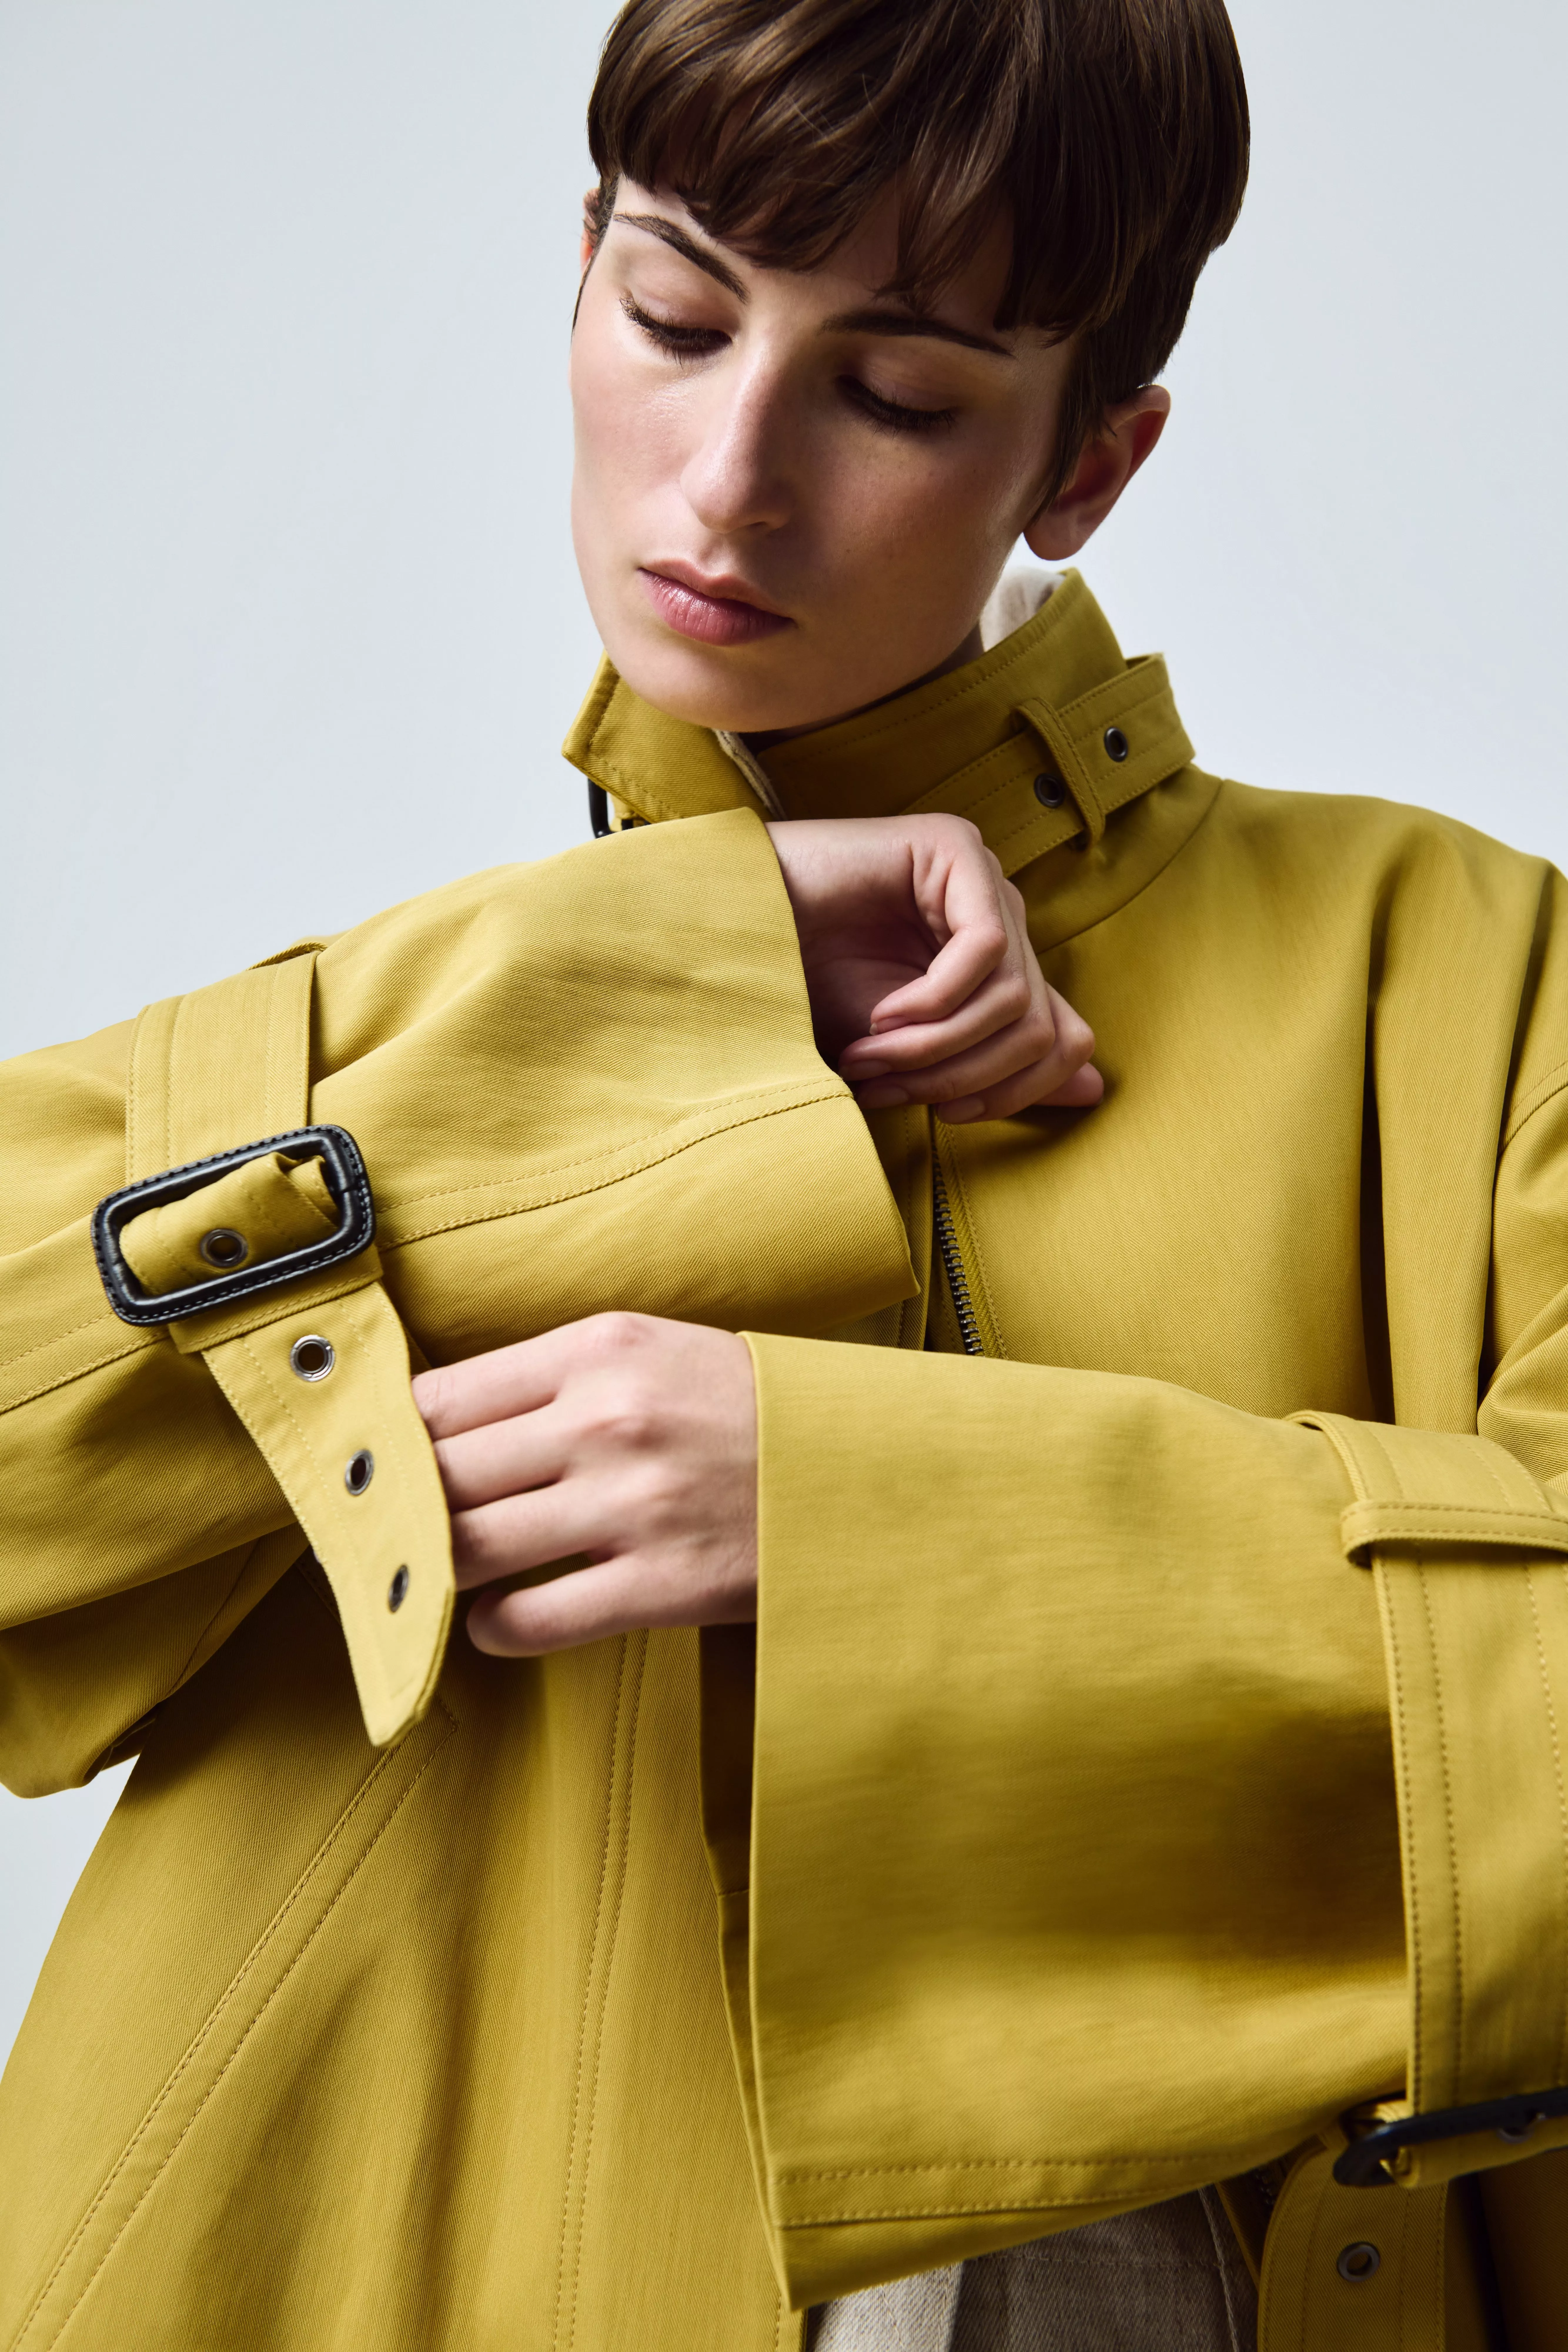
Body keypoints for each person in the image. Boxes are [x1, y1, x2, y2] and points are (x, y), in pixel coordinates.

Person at [2, 0, 1566, 2346]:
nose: (725, 480)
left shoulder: (1474, 981)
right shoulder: (410, 1021)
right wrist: (664, 986)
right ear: (579, 283)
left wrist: (851, 1516)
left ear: (1092, 463)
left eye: (901, 391)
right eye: (673, 311)